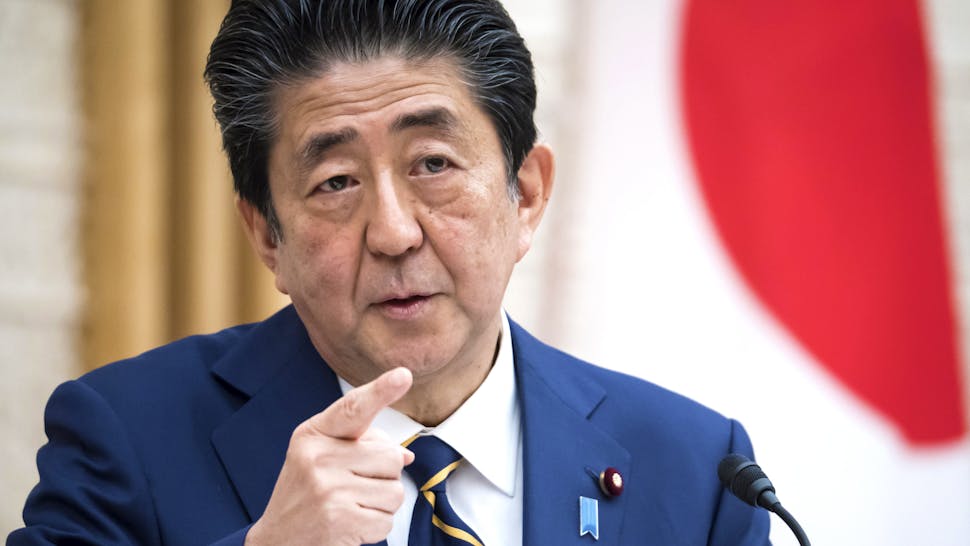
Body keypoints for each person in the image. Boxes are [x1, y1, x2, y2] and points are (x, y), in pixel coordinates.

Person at [9, 1, 770, 544]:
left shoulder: (699, 470)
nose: (395, 231)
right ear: (266, 235)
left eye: (433, 164)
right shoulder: (129, 435)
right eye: (335, 181)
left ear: (527, 194)